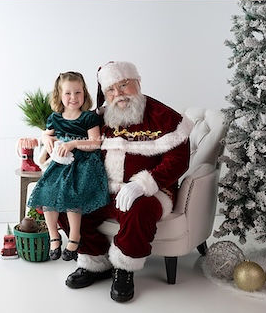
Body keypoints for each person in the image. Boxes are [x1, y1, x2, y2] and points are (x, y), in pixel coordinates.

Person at [54, 61, 192, 303]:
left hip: (151, 191)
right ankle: (97, 262)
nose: (118, 94)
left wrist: (143, 184)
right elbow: (77, 143)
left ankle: (124, 269)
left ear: (137, 83)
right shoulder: (97, 119)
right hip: (104, 188)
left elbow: (178, 159)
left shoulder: (163, 116)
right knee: (67, 204)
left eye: (124, 85)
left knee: (139, 210)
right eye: (111, 90)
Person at [27, 71, 109, 261]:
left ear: (84, 93)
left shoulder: (88, 118)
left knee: (72, 196)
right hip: (61, 163)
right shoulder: (55, 118)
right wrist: (45, 137)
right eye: (68, 93)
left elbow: (95, 143)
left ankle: (74, 237)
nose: (73, 98)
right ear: (59, 95)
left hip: (83, 163)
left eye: (78, 92)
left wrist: (72, 144)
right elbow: (47, 133)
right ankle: (54, 236)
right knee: (47, 194)